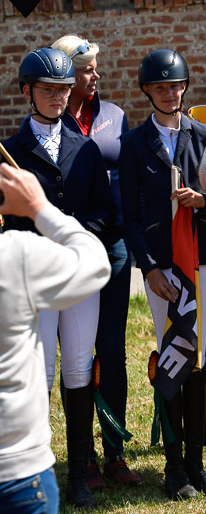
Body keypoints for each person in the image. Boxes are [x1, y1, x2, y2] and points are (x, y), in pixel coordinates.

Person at [3, 47, 114, 509]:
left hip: (76, 272)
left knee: (78, 368)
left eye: (63, 90)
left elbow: (105, 212)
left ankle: (79, 475)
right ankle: (40, 467)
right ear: (28, 92)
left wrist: (78, 235)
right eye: (47, 90)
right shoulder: (11, 150)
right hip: (34, 274)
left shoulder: (85, 147)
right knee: (42, 370)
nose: (55, 98)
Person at [119, 48, 206, 500]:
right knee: (172, 358)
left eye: (175, 85)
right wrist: (148, 267)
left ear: (185, 88)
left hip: (201, 260)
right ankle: (173, 466)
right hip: (163, 269)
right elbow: (128, 215)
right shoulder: (133, 145)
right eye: (160, 87)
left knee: (199, 361)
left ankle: (198, 463)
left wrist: (204, 202)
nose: (169, 92)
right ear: (147, 90)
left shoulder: (205, 137)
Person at [51, 34, 140, 488]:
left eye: (94, 67)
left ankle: (114, 454)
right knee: (77, 358)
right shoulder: (50, 122)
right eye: (86, 69)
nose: (95, 75)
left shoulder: (114, 117)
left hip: (113, 248)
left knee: (112, 350)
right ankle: (81, 457)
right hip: (67, 253)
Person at [0, 163, 110, 514]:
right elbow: (94, 263)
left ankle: (81, 471)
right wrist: (39, 208)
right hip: (17, 471)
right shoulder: (14, 255)